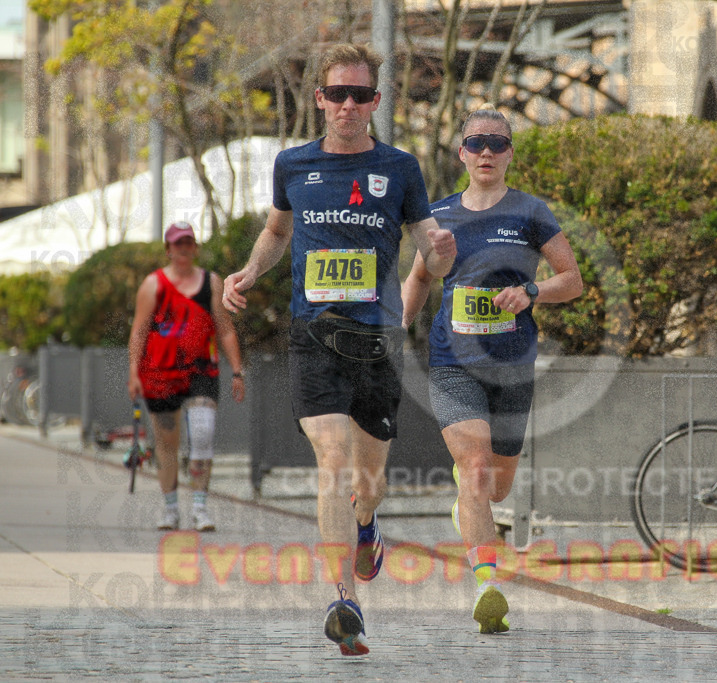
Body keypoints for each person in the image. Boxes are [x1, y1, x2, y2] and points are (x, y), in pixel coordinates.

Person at [221, 43, 456, 657]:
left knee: (368, 480)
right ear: (320, 100)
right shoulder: (293, 165)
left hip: (376, 341)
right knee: (332, 460)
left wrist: (440, 253)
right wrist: (248, 273)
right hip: (314, 337)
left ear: (375, 102)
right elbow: (277, 231)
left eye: (360, 95)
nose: (348, 105)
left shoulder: (400, 169)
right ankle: (343, 600)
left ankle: (368, 524)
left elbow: (427, 243)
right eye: (337, 94)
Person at [401, 105, 583, 634]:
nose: (486, 152)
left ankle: (470, 494)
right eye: (476, 143)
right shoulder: (438, 217)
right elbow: (418, 279)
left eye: (497, 144)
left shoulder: (530, 212)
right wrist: (397, 329)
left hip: (511, 369)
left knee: (497, 487)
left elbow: (571, 279)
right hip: (453, 362)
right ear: (461, 152)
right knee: (478, 469)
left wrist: (531, 292)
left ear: (509, 154)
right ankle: (487, 584)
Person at [128, 221, 246, 533]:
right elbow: (139, 332)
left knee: (204, 436)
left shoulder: (212, 282)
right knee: (167, 443)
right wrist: (133, 374)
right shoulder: (152, 285)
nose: (183, 249)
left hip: (202, 371)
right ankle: (170, 509)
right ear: (168, 250)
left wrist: (237, 370)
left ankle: (199, 508)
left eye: (188, 243)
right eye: (177, 244)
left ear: (195, 248)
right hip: (160, 374)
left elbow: (225, 328)